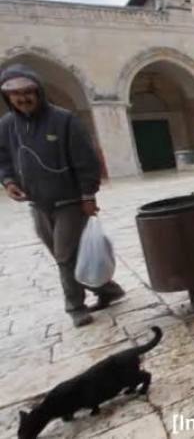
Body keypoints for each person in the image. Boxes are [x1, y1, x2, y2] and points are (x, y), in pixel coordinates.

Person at [0, 64, 126, 328]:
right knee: (67, 253)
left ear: (38, 91)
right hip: (37, 203)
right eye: (15, 94)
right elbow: (3, 159)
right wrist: (9, 180)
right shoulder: (8, 125)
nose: (22, 98)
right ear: (8, 98)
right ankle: (108, 290)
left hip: (69, 202)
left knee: (64, 257)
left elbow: (86, 160)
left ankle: (75, 306)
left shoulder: (64, 120)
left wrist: (88, 195)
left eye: (27, 92)